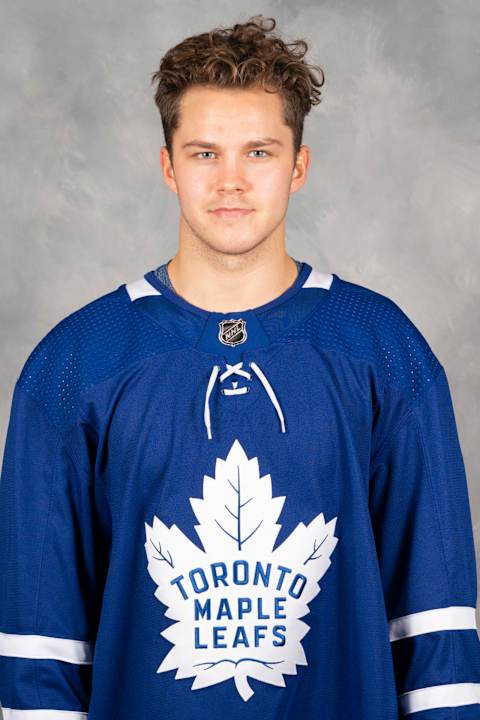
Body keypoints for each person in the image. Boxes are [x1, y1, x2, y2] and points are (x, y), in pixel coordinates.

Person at [0, 13, 479, 720]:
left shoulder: (384, 350)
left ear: (298, 166)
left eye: (258, 152)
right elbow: (40, 652)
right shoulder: (75, 364)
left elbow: (437, 629)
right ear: (168, 166)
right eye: (203, 154)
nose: (231, 182)